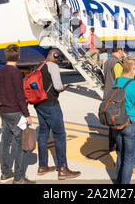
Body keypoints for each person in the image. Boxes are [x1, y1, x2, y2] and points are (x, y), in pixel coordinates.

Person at [34, 49, 81, 180]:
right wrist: (64, 87)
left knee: (43, 133)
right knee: (60, 135)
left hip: (39, 104)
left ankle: (42, 166)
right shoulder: (53, 66)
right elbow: (58, 87)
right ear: (55, 56)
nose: (59, 60)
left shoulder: (40, 65)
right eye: (58, 58)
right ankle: (63, 168)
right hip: (51, 105)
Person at [0, 44, 35, 184]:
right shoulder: (16, 73)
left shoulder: (1, 71)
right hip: (15, 112)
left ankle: (5, 172)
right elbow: (20, 96)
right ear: (18, 56)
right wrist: (27, 114)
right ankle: (18, 177)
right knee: (21, 144)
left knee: (5, 143)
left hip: (4, 110)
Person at [113, 57, 135, 184]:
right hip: (131, 122)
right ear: (133, 67)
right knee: (129, 158)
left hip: (116, 121)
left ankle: (118, 181)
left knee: (121, 154)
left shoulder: (116, 81)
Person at [103, 44, 126, 151]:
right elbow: (120, 81)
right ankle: (117, 145)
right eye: (123, 51)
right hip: (115, 96)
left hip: (107, 94)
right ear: (120, 50)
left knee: (110, 121)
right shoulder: (117, 63)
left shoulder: (107, 61)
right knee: (117, 120)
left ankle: (111, 145)